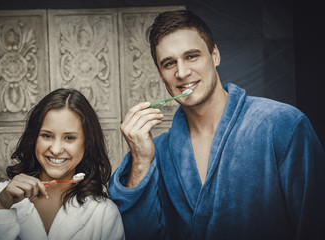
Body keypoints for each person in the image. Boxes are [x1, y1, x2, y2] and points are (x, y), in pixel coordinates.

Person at [109, 9, 325, 240]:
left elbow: (315, 223)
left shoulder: (283, 124)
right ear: (161, 74)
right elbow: (143, 234)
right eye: (169, 63)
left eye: (192, 56)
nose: (182, 72)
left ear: (215, 55)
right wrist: (141, 161)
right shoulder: (156, 153)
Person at [0, 88, 125, 240]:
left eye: (69, 138)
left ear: (87, 143)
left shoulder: (104, 214)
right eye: (47, 135)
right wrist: (1, 208)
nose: (56, 150)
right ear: (34, 138)